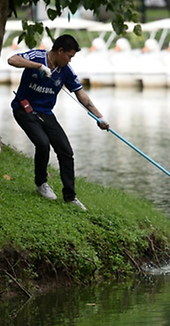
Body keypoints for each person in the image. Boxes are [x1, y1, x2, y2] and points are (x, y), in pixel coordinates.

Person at [7, 34, 109, 211]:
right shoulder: (38, 56)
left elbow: (81, 94)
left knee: (66, 151)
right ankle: (41, 184)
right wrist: (38, 66)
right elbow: (12, 60)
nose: (70, 61)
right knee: (42, 143)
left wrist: (100, 117)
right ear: (60, 51)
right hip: (24, 110)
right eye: (69, 56)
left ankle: (70, 197)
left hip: (46, 113)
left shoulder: (66, 71)